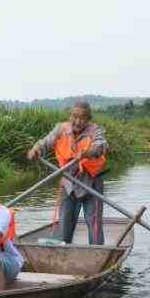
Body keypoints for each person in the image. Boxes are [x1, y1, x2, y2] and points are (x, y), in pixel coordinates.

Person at [26, 101, 108, 245]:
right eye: (75, 116)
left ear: (88, 119)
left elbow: (100, 147)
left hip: (91, 183)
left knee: (94, 224)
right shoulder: (61, 129)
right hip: (69, 183)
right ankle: (63, 256)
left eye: (82, 118)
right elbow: (45, 142)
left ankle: (96, 254)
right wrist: (36, 149)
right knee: (64, 225)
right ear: (70, 116)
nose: (77, 121)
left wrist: (87, 153)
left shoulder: (96, 130)